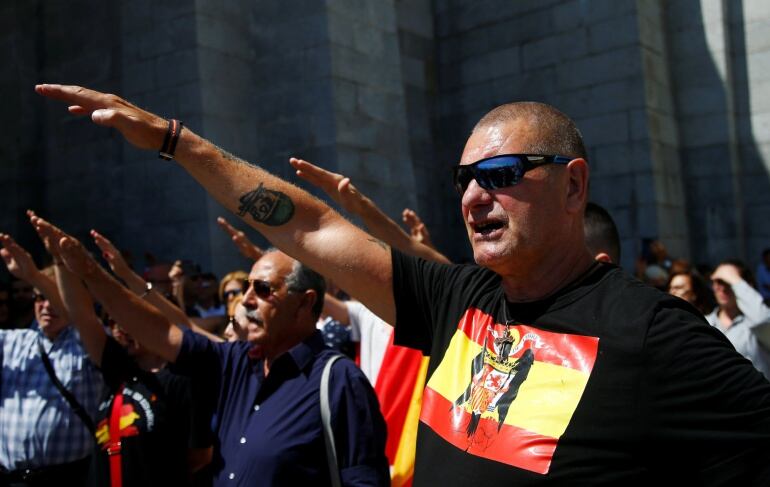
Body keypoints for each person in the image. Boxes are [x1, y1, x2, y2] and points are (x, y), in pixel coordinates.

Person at [38, 85, 770, 484]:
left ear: (573, 185)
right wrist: (178, 142)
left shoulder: (650, 332)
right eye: (465, 181)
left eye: (503, 177)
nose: (475, 198)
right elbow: (311, 229)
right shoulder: (458, 301)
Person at [48, 223, 389, 486]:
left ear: (305, 303)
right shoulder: (236, 363)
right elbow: (164, 332)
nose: (246, 300)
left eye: (264, 289)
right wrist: (91, 274)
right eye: (246, 289)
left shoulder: (338, 380)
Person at [29, 216, 213, 487]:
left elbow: (199, 457)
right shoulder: (118, 367)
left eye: (129, 321)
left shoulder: (183, 381)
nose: (119, 328)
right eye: (114, 322)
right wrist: (59, 260)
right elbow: (82, 316)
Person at [0, 230, 103, 486]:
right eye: (39, 297)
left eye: (52, 297)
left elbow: (77, 313)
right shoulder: (12, 342)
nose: (46, 306)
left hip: (68, 478)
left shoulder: (87, 341)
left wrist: (33, 275)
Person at [706, 260, 770, 379]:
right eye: (718, 282)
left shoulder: (754, 321)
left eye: (728, 282)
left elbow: (763, 322)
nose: (723, 288)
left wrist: (736, 281)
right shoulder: (706, 322)